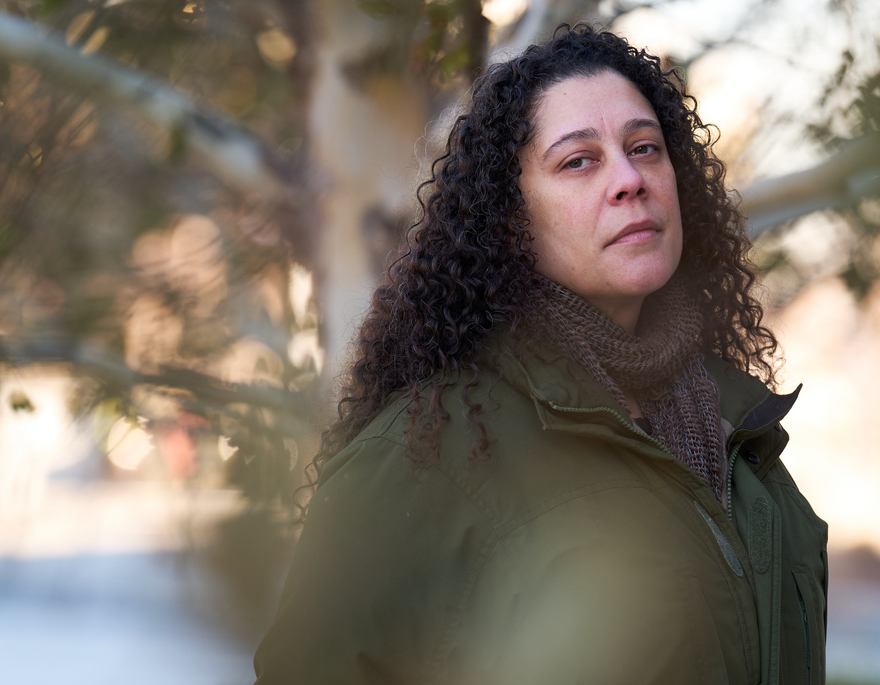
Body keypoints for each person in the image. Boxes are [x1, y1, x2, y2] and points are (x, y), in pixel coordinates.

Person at [253, 25, 827, 685]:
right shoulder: (425, 454)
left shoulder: (743, 436)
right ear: (510, 217)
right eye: (578, 160)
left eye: (644, 148)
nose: (629, 179)